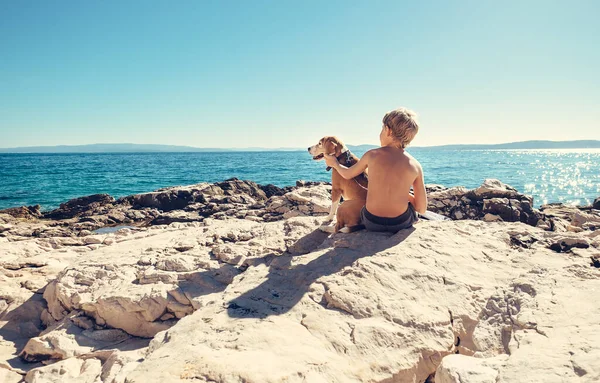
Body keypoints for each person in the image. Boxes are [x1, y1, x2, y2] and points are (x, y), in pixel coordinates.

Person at [323, 107, 427, 232]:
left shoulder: (371, 155)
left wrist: (335, 164)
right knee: (412, 212)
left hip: (372, 221)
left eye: (382, 129)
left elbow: (347, 174)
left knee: (358, 206)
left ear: (388, 131)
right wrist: (402, 193)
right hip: (400, 223)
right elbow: (421, 209)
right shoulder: (415, 165)